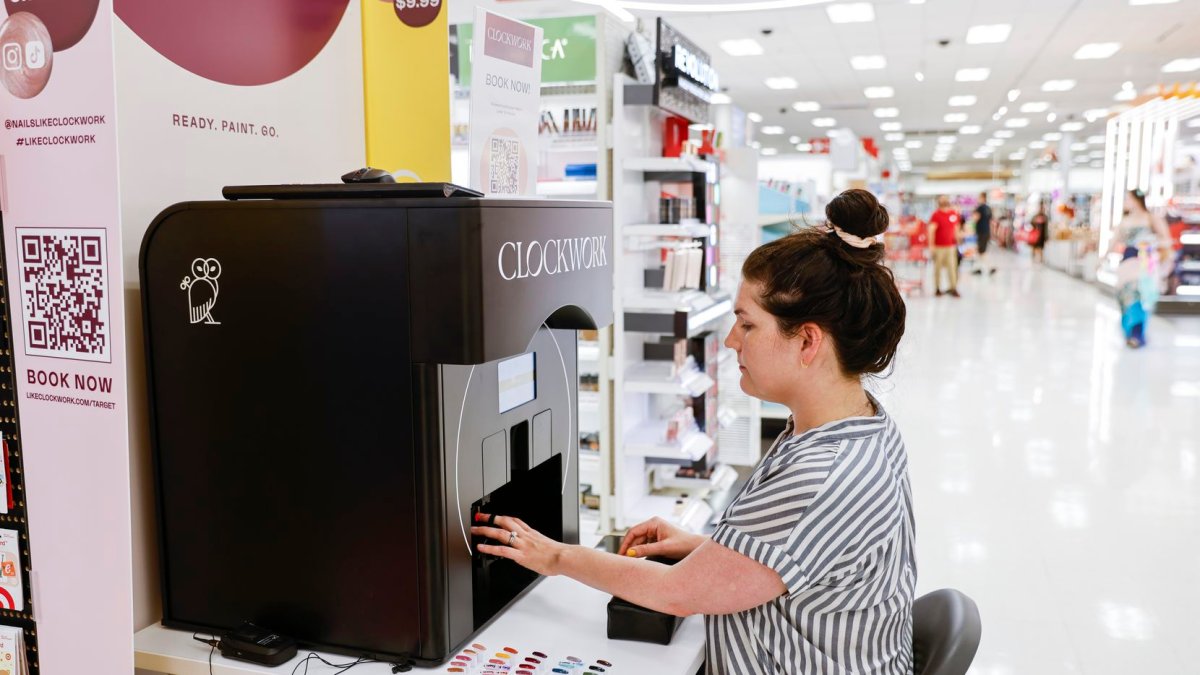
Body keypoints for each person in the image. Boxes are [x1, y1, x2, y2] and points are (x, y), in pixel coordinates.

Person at [472, 189, 915, 674]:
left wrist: (554, 557)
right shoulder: (861, 425)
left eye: (747, 324)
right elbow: (810, 561)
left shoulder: (821, 475)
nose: (731, 340)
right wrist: (706, 549)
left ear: (807, 340)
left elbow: (675, 593)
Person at [1111, 189, 1172, 348]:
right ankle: (1130, 331)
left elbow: (1166, 239)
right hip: (1127, 261)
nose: (1125, 202)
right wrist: (1102, 257)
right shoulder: (1125, 221)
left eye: (1128, 199)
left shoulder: (1151, 218)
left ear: (1135, 200)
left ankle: (1137, 334)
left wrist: (1150, 243)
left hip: (1144, 262)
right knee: (1125, 295)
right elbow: (1114, 241)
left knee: (1139, 294)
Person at [928, 195, 962, 296]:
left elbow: (956, 229)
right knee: (937, 268)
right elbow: (931, 231)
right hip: (938, 247)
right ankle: (937, 288)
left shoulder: (953, 214)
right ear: (939, 202)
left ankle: (953, 288)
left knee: (952, 267)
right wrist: (931, 246)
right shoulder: (936, 215)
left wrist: (958, 240)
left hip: (951, 246)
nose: (944, 200)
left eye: (945, 199)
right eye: (942, 199)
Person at [971, 192, 996, 275]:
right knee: (980, 250)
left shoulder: (980, 208)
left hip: (981, 231)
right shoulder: (988, 208)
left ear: (982, 197)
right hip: (986, 231)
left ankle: (990, 267)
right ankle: (978, 268)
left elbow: (975, 218)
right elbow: (991, 221)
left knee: (982, 251)